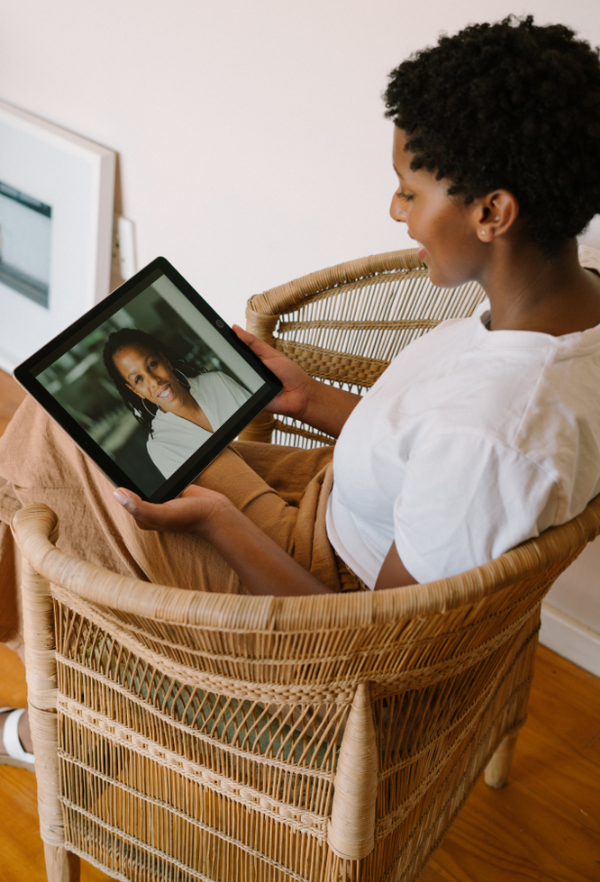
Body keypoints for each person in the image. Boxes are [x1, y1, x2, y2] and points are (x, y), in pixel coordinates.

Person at [1, 14, 600, 764]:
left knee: (48, 452)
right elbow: (426, 454)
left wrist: (218, 523)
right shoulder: (566, 316)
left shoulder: (495, 435)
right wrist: (308, 399)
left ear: (492, 212)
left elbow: (368, 647)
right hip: (326, 506)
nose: (396, 211)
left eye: (408, 191)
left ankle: (63, 727)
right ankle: (66, 708)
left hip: (312, 606)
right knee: (57, 430)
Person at [103, 329, 252, 478]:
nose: (154, 380)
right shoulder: (161, 446)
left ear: (165, 361)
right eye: (138, 379)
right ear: (136, 391)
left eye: (152, 365)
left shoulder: (217, 383)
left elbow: (266, 423)